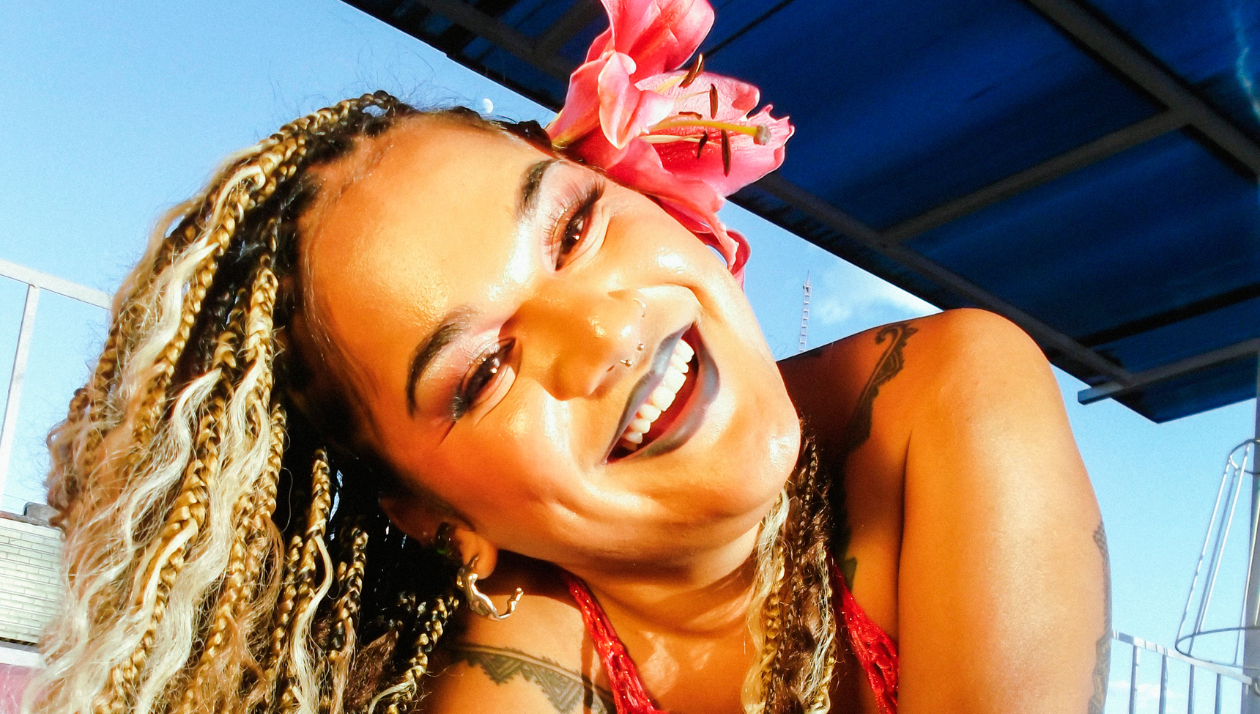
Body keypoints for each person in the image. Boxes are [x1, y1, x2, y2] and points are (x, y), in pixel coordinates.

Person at [29, 3, 1108, 714]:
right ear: (441, 521)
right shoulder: (511, 676)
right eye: (481, 374)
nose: (605, 338)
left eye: (575, 227)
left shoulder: (943, 399)